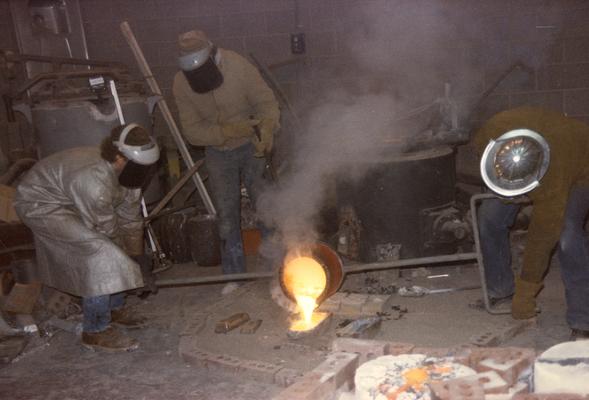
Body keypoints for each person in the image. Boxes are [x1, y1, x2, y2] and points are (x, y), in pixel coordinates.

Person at [14, 123, 160, 351]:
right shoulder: (94, 182)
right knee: (98, 253)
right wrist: (131, 266)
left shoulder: (130, 174)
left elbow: (131, 220)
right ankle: (95, 329)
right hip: (40, 204)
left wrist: (138, 259)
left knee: (115, 254)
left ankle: (114, 307)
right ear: (120, 158)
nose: (145, 171)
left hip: (72, 196)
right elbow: (106, 233)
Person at [172, 29, 280, 291]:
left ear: (211, 53)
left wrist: (266, 132)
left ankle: (276, 267)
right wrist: (226, 132)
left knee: (264, 205)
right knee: (227, 215)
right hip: (217, 151)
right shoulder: (181, 83)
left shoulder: (238, 66)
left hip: (250, 144)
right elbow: (192, 131)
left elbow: (266, 103)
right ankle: (234, 275)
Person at [473, 106, 589, 340]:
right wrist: (505, 191)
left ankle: (582, 318)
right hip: (535, 154)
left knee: (567, 234)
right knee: (489, 217)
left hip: (579, 169)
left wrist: (526, 292)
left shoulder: (556, 174)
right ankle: (501, 289)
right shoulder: (489, 136)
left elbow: (543, 236)